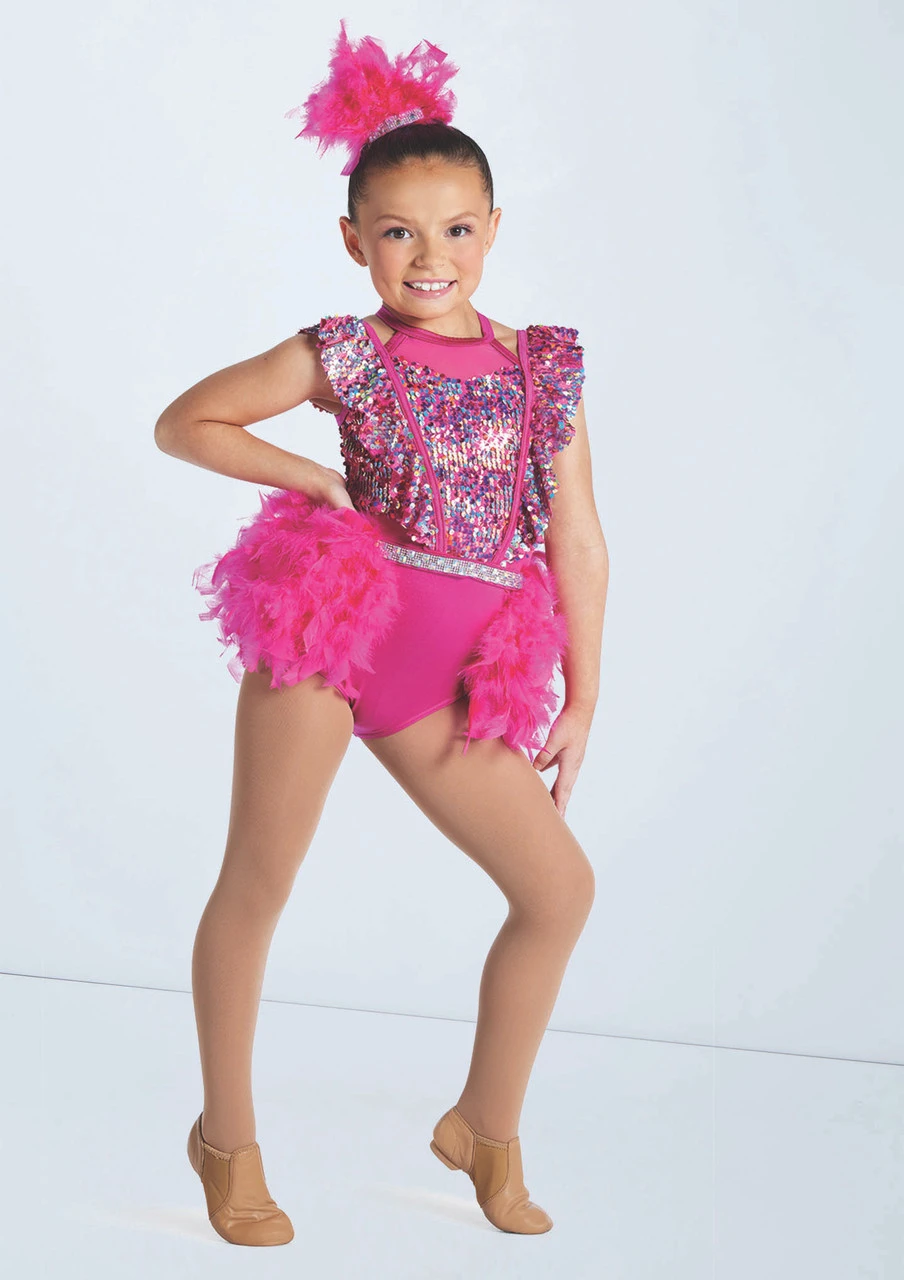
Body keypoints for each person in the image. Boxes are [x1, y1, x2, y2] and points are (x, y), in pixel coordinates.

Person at [155, 20, 609, 1247]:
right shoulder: (344, 353)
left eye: (454, 228)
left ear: (493, 228)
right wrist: (312, 476)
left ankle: (484, 1126)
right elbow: (187, 422)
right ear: (354, 239)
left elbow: (577, 541)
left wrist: (583, 693)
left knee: (557, 888)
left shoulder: (545, 369)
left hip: (439, 685)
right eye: (397, 232)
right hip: (328, 639)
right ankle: (226, 1138)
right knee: (259, 882)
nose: (429, 255)